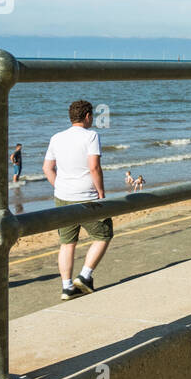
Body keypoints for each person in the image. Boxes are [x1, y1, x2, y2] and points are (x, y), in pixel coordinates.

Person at [43, 100, 111, 300]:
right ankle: (85, 275)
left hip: (63, 196)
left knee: (67, 243)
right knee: (103, 234)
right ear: (88, 116)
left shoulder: (56, 137)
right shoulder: (91, 136)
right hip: (87, 196)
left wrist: (61, 186)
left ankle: (66, 287)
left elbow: (47, 168)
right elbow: (94, 168)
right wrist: (101, 193)